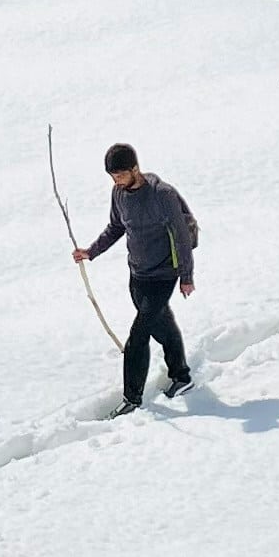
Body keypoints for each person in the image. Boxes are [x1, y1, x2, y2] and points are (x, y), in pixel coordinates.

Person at [77, 145, 199, 409]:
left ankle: (131, 399)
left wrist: (186, 277)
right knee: (161, 325)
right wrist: (91, 252)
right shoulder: (119, 194)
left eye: (120, 175)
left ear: (135, 169)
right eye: (112, 177)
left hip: (164, 274)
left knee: (139, 334)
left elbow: (181, 238)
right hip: (138, 273)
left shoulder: (162, 195)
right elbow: (116, 227)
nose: (116, 181)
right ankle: (182, 375)